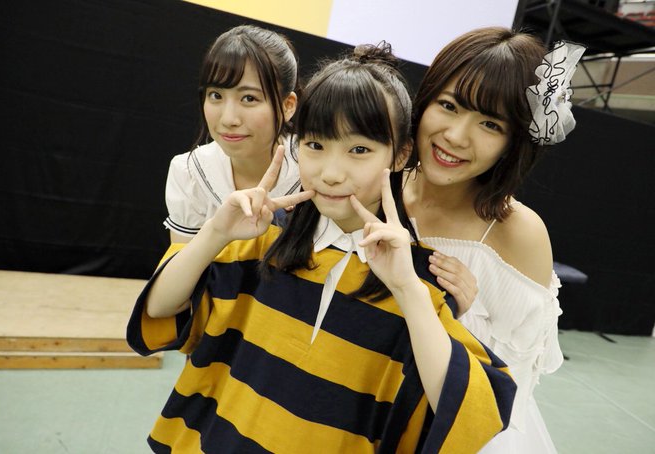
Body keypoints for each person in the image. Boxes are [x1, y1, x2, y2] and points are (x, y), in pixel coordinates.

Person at [128, 43, 517, 453]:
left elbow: (473, 415)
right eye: (315, 145)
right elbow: (160, 310)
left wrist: (408, 290)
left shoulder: (415, 280)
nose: (331, 173)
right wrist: (215, 234)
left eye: (359, 150)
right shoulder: (262, 241)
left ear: (401, 154)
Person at [403, 27, 585, 453]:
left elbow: (508, 388)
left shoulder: (518, 233)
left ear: (514, 140)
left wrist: (459, 317)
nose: (456, 136)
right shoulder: (377, 184)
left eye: (490, 123)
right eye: (448, 106)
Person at [163, 25, 301, 242]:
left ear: (288, 105)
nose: (228, 119)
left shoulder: (315, 169)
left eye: (249, 98)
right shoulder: (190, 172)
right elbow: (180, 262)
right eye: (216, 95)